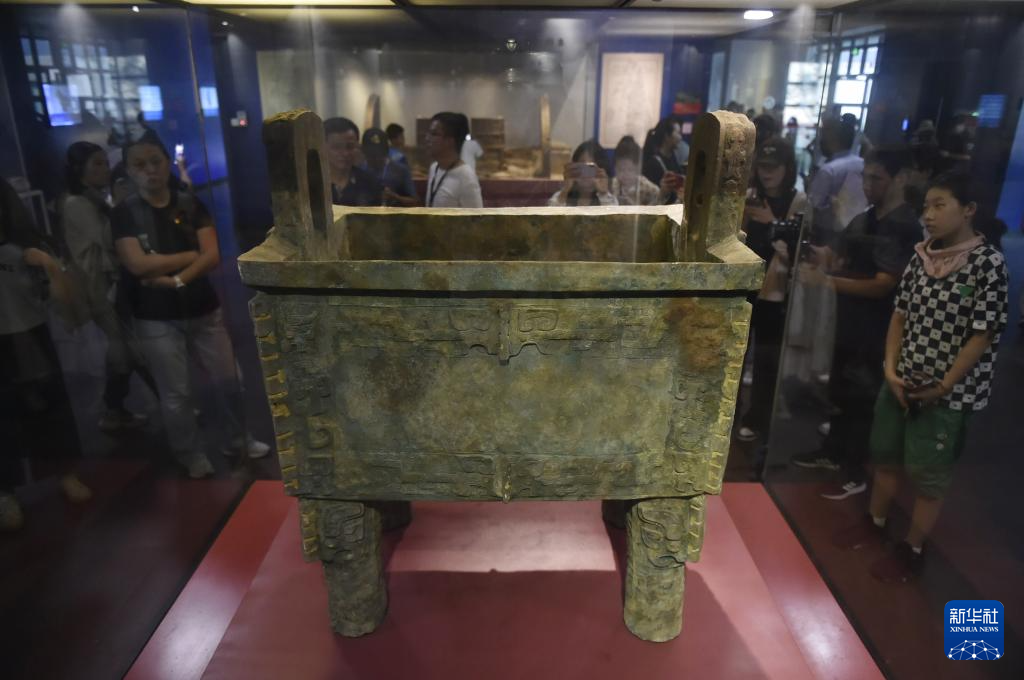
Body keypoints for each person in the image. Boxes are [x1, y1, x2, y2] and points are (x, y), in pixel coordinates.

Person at [832, 171, 1008, 583]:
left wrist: (944, 384)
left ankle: (913, 546)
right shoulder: (921, 256)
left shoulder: (988, 264)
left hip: (948, 392)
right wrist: (891, 369)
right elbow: (900, 316)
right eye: (926, 206)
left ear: (968, 209)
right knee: (886, 454)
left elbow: (982, 334)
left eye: (939, 205)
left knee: (929, 474)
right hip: (902, 378)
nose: (928, 215)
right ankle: (875, 521)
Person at [111, 132, 268, 478]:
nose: (150, 170)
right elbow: (137, 264)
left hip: (202, 307)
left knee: (230, 379)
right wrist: (187, 257)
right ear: (129, 170)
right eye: (140, 164)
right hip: (155, 315)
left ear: (167, 163)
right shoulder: (124, 213)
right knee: (176, 394)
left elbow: (211, 255)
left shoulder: (189, 203)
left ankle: (238, 439)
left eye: (155, 161)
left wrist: (176, 278)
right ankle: (189, 452)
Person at [792, 147, 923, 500]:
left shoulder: (903, 226)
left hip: (875, 328)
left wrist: (828, 281)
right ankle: (835, 452)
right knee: (843, 393)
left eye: (876, 178)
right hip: (849, 323)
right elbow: (840, 256)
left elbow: (884, 284)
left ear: (899, 179)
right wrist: (816, 255)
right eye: (866, 177)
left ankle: (854, 468)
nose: (867, 185)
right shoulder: (867, 218)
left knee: (862, 400)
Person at [1, 177, 92, 531]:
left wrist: (51, 267)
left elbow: (67, 303)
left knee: (50, 410)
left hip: (31, 336)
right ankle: (4, 492)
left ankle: (64, 472)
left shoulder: (25, 249)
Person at [61, 141, 156, 431]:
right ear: (80, 170)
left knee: (125, 349)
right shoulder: (77, 204)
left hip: (111, 285)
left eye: (105, 162)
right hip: (100, 288)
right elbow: (107, 237)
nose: (104, 169)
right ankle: (164, 400)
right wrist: (119, 203)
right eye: (97, 164)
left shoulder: (94, 199)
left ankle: (116, 409)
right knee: (128, 349)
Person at [736, 139, 812, 443]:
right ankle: (730, 412)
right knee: (737, 352)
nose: (767, 173)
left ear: (787, 168)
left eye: (774, 167)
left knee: (767, 359)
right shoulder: (750, 197)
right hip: (746, 284)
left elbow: (802, 246)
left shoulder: (798, 200)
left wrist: (773, 223)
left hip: (776, 290)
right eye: (763, 167)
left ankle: (758, 418)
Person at [807, 116, 867, 243]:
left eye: (823, 137)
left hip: (827, 234)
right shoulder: (862, 163)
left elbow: (813, 205)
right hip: (857, 229)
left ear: (832, 140)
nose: (820, 142)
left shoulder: (829, 170)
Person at [424, 112, 483, 208]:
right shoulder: (434, 168)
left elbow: (477, 216)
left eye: (434, 134)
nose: (427, 138)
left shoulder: (466, 178)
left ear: (450, 141)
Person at [324, 117, 383, 207]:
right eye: (336, 147)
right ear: (322, 147)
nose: (344, 153)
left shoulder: (370, 183)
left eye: (350, 147)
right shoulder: (310, 184)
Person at [548, 140, 616, 207]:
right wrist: (565, 191)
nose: (586, 175)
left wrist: (603, 194)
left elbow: (614, 213)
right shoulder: (560, 195)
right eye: (581, 167)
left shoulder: (609, 199)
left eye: (591, 169)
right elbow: (550, 213)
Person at [361, 128, 418, 207]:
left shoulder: (401, 171)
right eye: (371, 155)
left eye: (379, 155)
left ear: (386, 152)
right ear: (364, 152)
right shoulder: (359, 171)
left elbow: (414, 202)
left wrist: (396, 197)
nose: (375, 159)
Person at [611, 136, 670, 206]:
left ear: (638, 169)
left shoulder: (647, 188)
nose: (625, 174)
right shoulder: (613, 184)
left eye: (630, 170)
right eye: (621, 170)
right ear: (615, 168)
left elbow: (658, 201)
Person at [642, 118, 685, 203]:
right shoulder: (653, 164)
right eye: (678, 133)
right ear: (667, 136)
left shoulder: (672, 156)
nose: (680, 138)